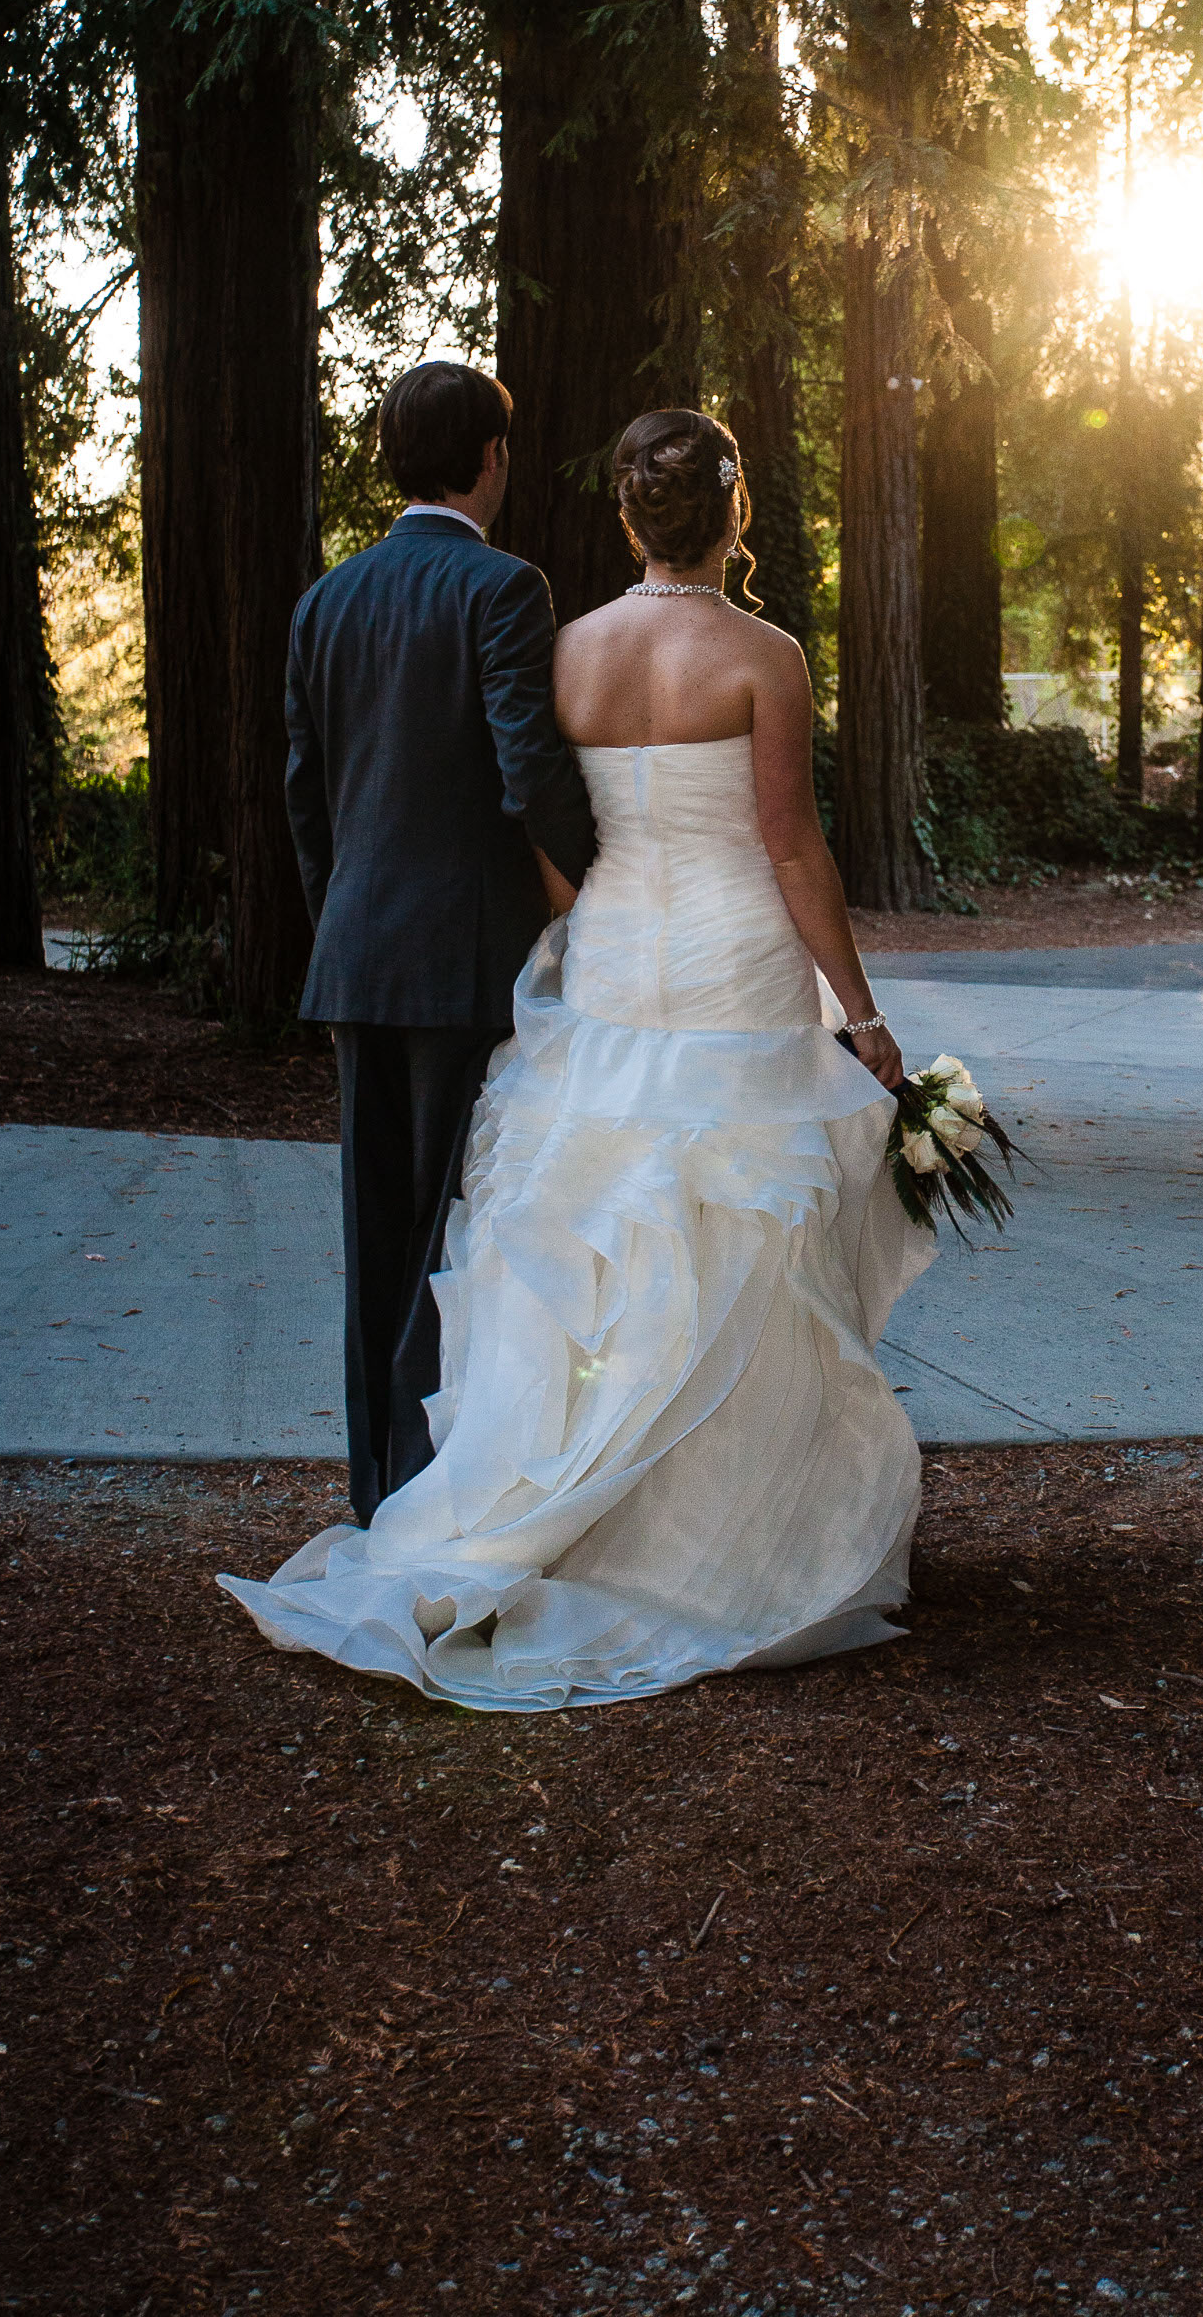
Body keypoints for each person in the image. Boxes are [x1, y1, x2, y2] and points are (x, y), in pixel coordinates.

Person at [220, 406, 933, 1710]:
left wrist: (583, 916)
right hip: (730, 957)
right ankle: (718, 1538)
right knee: (734, 1234)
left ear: (623, 517)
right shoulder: (763, 653)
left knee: (597, 1232)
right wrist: (861, 1008)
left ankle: (559, 1505)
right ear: (734, 512)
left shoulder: (573, 647)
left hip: (606, 949)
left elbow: (541, 816)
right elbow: (789, 845)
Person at [280, 360, 597, 1528]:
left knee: (377, 1237)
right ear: (491, 458)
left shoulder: (327, 599)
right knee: (452, 1229)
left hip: (358, 956)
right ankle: (433, 1491)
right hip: (467, 960)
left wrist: (344, 927)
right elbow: (528, 768)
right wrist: (600, 887)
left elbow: (305, 798)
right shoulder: (504, 588)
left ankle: (377, 1490)